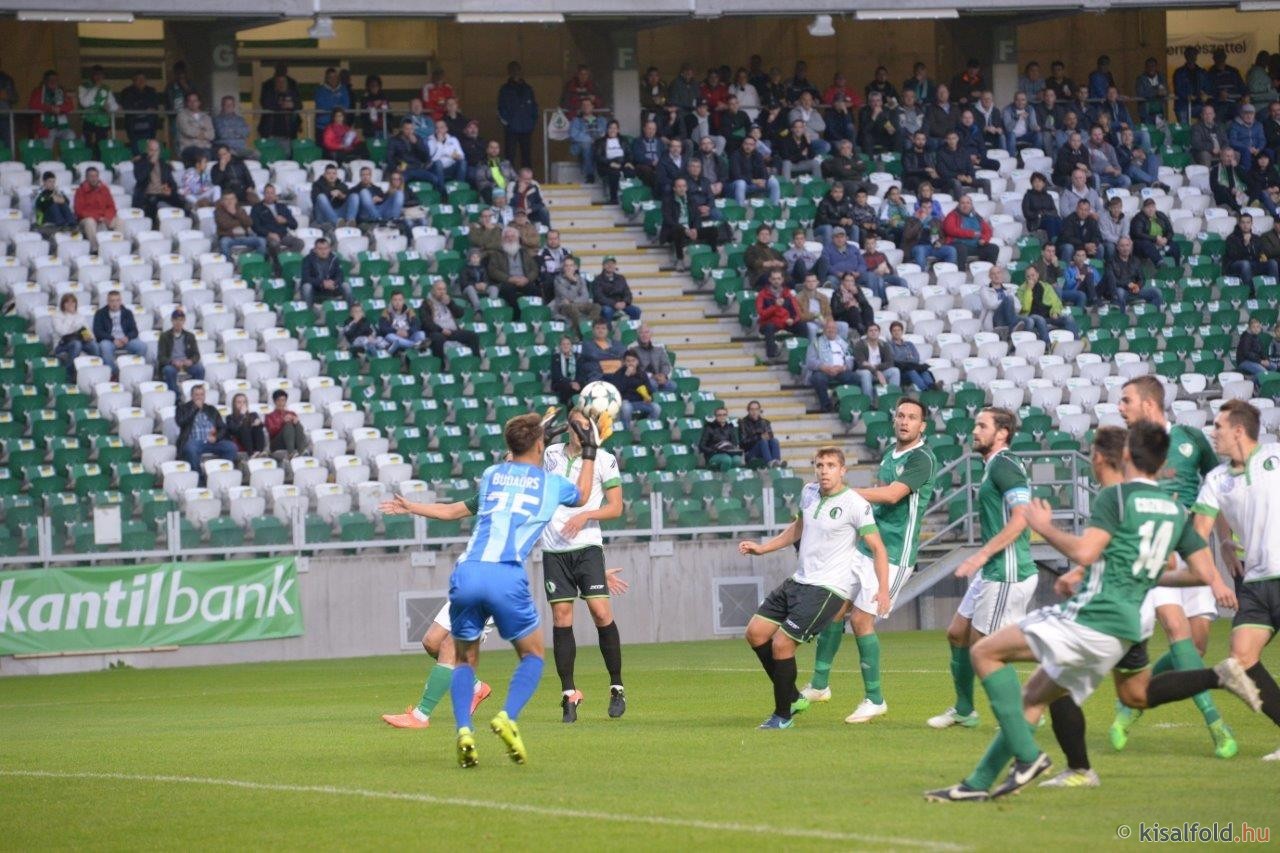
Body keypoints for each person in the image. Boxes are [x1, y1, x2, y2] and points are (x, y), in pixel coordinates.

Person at [925, 421, 1250, 802]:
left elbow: (1084, 552)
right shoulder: (1173, 509)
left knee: (983, 651)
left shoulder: (1116, 498)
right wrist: (1141, 575)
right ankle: (976, 784)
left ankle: (1029, 758)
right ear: (1162, 464)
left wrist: (1044, 527)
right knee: (1038, 695)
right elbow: (1202, 574)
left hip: (1091, 616)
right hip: (1127, 628)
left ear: (1125, 455)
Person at [380, 411, 597, 766]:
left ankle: (461, 729)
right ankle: (505, 716)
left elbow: (464, 504)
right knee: (531, 655)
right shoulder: (551, 484)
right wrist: (588, 450)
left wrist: (410, 506)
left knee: (454, 651)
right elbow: (584, 493)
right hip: (505, 577)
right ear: (541, 445)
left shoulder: (493, 476)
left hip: (467, 571)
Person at [1105, 376, 1241, 759]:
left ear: (1150, 404)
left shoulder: (1190, 440)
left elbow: (1218, 488)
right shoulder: (1127, 448)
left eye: (1126, 400)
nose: (1120, 407)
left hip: (1193, 548)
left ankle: (1131, 705)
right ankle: (1217, 725)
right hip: (1152, 554)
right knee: (1178, 632)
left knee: (1194, 647)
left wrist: (1227, 543)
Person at [803, 399, 937, 722]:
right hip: (870, 546)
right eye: (900, 416)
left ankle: (875, 699)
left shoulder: (923, 459)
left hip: (895, 553)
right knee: (835, 607)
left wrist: (845, 493)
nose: (905, 421)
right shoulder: (891, 454)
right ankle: (820, 684)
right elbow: (878, 500)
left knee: (862, 620)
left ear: (923, 426)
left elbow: (891, 495)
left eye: (912, 417)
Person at [739, 446, 890, 729]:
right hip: (799, 580)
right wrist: (763, 549)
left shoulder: (856, 504)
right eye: (820, 465)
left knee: (783, 644)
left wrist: (883, 589)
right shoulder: (808, 492)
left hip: (828, 588)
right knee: (756, 633)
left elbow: (878, 548)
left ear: (843, 470)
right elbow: (798, 528)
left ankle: (782, 716)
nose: (824, 471)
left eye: (831, 465)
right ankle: (793, 696)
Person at [926, 408, 1037, 731]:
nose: (974, 430)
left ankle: (1028, 709)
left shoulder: (1004, 465)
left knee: (985, 650)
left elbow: (1021, 518)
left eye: (982, 425)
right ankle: (964, 710)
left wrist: (981, 555)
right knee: (957, 634)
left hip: (1007, 571)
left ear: (1002, 433)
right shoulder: (991, 466)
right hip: (993, 569)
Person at [1193, 400, 1280, 762]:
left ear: (1239, 431)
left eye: (1218, 426)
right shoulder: (1215, 479)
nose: (1213, 433)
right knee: (1239, 660)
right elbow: (1198, 535)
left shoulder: (1276, 456)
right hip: (1256, 581)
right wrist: (1214, 578)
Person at [174, 383, 239, 487]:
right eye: (197, 395)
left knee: (231, 447)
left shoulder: (211, 409)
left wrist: (216, 437)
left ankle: (219, 475)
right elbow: (181, 422)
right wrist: (195, 408)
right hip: (194, 441)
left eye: (202, 394)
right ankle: (199, 479)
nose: (199, 397)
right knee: (190, 448)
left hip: (211, 441)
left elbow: (222, 427)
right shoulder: (182, 408)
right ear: (192, 396)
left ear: (204, 396)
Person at [1017, 264, 1078, 344]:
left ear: (1038, 275)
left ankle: (1077, 342)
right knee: (1040, 319)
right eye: (1028, 277)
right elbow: (1025, 308)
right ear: (1025, 278)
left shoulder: (1046, 287)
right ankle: (1048, 345)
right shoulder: (1021, 290)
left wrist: (1055, 312)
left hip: (1049, 316)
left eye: (1033, 275)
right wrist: (1028, 290)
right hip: (1032, 316)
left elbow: (1057, 302)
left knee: (1069, 318)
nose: (1031, 278)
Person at [92, 290, 146, 379]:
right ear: (108, 302)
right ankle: (115, 373)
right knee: (104, 346)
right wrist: (113, 339)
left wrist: (127, 337)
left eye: (117, 300)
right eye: (112, 301)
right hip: (110, 340)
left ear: (121, 301)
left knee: (142, 346)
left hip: (125, 340)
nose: (115, 303)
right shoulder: (100, 313)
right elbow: (98, 331)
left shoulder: (127, 313)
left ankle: (132, 370)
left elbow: (134, 330)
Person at [422, 279, 479, 362]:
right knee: (438, 338)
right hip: (438, 332)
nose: (442, 292)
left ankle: (476, 361)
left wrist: (450, 303)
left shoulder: (448, 301)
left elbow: (460, 314)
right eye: (439, 289)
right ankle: (440, 365)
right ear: (433, 291)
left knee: (473, 336)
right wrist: (441, 330)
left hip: (452, 331)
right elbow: (426, 322)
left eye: (444, 289)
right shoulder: (426, 303)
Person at [1223, 213, 1279, 295]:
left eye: (1248, 222)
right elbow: (1233, 255)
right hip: (1235, 264)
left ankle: (1274, 291)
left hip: (1253, 263)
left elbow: (1260, 252)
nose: (1245, 225)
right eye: (1243, 222)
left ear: (1251, 224)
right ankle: (1250, 293)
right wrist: (1245, 245)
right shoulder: (1232, 238)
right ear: (1239, 223)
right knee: (1245, 264)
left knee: (1272, 263)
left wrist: (1262, 256)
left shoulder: (1255, 238)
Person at [497, 62, 538, 170]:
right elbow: (501, 108)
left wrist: (532, 122)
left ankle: (527, 179)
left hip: (526, 127)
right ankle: (509, 179)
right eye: (512, 70)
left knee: (527, 156)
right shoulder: (505, 89)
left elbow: (534, 106)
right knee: (510, 155)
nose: (515, 72)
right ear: (509, 72)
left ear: (520, 71)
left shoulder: (528, 88)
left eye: (517, 69)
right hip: (512, 127)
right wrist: (508, 122)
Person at [132, 139, 185, 219]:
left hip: (162, 193)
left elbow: (173, 183)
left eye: (156, 150)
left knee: (180, 201)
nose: (154, 153)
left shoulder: (163, 164)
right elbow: (140, 178)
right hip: (147, 195)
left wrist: (170, 190)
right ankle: (153, 227)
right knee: (152, 202)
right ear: (147, 150)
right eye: (151, 150)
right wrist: (151, 164)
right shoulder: (140, 162)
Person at [607, 350, 660, 429]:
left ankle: (645, 428)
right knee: (626, 408)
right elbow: (617, 390)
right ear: (624, 363)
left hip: (641, 401)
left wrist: (649, 397)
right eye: (628, 361)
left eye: (633, 361)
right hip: (626, 402)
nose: (631, 363)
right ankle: (626, 431)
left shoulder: (642, 373)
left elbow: (649, 389)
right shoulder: (619, 374)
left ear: (637, 362)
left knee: (656, 408)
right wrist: (626, 376)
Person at [252, 184, 304, 264]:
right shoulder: (257, 208)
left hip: (283, 235)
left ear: (275, 195)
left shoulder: (282, 207)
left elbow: (294, 225)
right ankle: (278, 266)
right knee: (274, 244)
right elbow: (255, 226)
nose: (270, 195)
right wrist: (269, 234)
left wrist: (285, 221)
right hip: (266, 236)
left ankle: (285, 259)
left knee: (299, 242)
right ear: (263, 194)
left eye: (272, 193)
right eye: (267, 193)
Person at [851, 324, 902, 405]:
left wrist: (876, 367)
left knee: (895, 371)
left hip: (879, 371)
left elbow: (890, 362)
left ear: (879, 332)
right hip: (863, 371)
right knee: (866, 373)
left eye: (876, 330)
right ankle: (869, 403)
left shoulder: (884, 344)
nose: (873, 332)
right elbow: (861, 364)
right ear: (866, 333)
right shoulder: (860, 345)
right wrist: (876, 372)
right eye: (870, 330)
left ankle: (892, 400)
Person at [755, 271, 800, 361]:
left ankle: (801, 352)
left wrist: (792, 320)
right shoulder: (762, 294)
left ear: (782, 280)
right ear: (770, 280)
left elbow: (797, 312)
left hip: (786, 323)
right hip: (769, 323)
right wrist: (775, 306)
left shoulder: (788, 293)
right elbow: (761, 314)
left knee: (802, 325)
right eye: (774, 279)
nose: (776, 281)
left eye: (779, 279)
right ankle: (772, 355)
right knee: (769, 326)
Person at [156, 308, 204, 393]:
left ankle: (194, 393)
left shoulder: (190, 336)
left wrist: (191, 361)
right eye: (176, 320)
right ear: (172, 321)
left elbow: (197, 355)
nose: (178, 323)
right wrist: (172, 362)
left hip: (186, 364)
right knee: (168, 370)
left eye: (181, 320)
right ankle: (176, 396)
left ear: (184, 321)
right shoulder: (164, 336)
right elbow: (161, 357)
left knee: (199, 369)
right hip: (172, 364)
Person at [942, 195, 999, 266]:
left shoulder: (976, 216)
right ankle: (961, 272)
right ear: (959, 205)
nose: (965, 205)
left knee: (993, 248)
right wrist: (971, 234)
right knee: (962, 249)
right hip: (957, 244)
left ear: (971, 205)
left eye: (968, 203)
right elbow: (950, 230)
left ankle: (989, 271)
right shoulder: (952, 215)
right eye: (963, 203)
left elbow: (988, 230)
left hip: (975, 245)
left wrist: (984, 239)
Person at [51, 293, 97, 381]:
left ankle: (94, 371)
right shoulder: (57, 316)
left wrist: (89, 337)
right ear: (63, 304)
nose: (70, 305)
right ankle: (69, 373)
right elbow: (63, 332)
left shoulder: (80, 316)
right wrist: (70, 316)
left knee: (94, 345)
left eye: (73, 302)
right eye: (67, 302)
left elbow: (88, 331)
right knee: (77, 344)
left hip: (79, 341)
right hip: (61, 345)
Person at [728, 136, 780, 207]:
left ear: (754, 146)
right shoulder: (735, 156)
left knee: (774, 182)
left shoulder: (758, 155)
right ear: (742, 144)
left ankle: (774, 208)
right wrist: (754, 181)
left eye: (751, 144)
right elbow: (736, 175)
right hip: (738, 185)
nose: (748, 147)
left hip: (755, 184)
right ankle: (740, 210)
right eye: (746, 144)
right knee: (741, 183)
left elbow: (764, 172)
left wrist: (763, 180)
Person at [300, 238, 352, 307]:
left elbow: (340, 275)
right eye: (320, 249)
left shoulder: (334, 258)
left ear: (329, 249)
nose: (323, 251)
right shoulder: (308, 259)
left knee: (346, 285)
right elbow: (306, 278)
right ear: (315, 250)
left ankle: (351, 311)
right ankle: (308, 312)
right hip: (316, 288)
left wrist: (334, 282)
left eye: (326, 248)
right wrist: (322, 283)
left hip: (331, 287)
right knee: (306, 287)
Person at [214, 193, 267, 261]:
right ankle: (230, 264)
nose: (230, 201)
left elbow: (249, 222)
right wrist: (240, 223)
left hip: (245, 237)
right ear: (222, 201)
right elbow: (224, 225)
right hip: (229, 237)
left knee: (261, 240)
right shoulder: (218, 212)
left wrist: (235, 213)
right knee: (224, 242)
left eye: (232, 199)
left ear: (236, 200)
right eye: (227, 199)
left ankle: (256, 261)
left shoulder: (240, 209)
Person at [28, 70, 74, 146]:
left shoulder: (61, 91)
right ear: (45, 81)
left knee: (71, 135)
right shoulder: (38, 91)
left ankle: (63, 158)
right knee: (46, 149)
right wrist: (50, 108)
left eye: (55, 80)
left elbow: (70, 106)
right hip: (46, 128)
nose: (53, 82)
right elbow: (32, 105)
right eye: (50, 79)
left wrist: (60, 109)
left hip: (61, 127)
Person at [78, 65, 117, 155]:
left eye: (101, 75)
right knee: (87, 145)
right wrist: (96, 88)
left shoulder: (106, 88)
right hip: (89, 120)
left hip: (103, 122)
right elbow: (85, 103)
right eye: (96, 75)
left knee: (101, 146)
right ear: (92, 76)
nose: (99, 77)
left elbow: (113, 105)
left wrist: (110, 107)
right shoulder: (84, 86)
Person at [886, 321, 937, 391]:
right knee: (911, 371)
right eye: (894, 330)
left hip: (914, 367)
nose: (897, 332)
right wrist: (909, 358)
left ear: (902, 331)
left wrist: (906, 360)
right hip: (901, 371)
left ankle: (932, 387)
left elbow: (916, 358)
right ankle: (925, 390)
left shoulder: (909, 344)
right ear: (891, 332)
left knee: (924, 371)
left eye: (899, 330)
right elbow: (895, 359)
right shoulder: (889, 345)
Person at [119, 72, 163, 151]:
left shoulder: (151, 91)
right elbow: (127, 106)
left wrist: (141, 106)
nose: (141, 81)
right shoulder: (127, 91)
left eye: (143, 79)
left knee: (150, 148)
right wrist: (145, 109)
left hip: (150, 126)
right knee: (136, 149)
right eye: (138, 79)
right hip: (133, 126)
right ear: (133, 81)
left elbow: (154, 106)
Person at [593, 120, 632, 205]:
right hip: (606, 165)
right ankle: (614, 199)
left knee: (631, 172)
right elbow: (598, 157)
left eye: (615, 128)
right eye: (610, 128)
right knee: (614, 173)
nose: (612, 130)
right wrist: (610, 163)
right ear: (607, 129)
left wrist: (628, 162)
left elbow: (629, 153)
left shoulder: (623, 140)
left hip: (621, 164)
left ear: (618, 130)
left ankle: (630, 199)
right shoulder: (600, 142)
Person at [577, 319, 626, 384]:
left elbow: (623, 354)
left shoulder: (616, 343)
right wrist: (614, 356)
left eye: (603, 328)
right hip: (599, 377)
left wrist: (602, 358)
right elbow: (594, 355)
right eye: (597, 328)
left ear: (608, 331)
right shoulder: (587, 344)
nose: (600, 330)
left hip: (617, 376)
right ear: (593, 330)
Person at [593, 256, 639, 325]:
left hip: (621, 304)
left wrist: (624, 302)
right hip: (606, 305)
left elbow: (628, 294)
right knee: (607, 311)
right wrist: (614, 304)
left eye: (612, 263)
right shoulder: (598, 279)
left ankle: (633, 332)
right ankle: (608, 333)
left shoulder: (621, 278)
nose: (610, 265)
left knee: (636, 310)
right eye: (607, 263)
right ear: (603, 266)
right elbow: (599, 297)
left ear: (615, 265)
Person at [378, 291, 426, 356]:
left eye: (400, 300)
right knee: (389, 336)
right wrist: (396, 331)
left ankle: (413, 344)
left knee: (421, 334)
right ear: (391, 301)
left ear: (403, 301)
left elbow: (417, 325)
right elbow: (383, 328)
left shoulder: (409, 311)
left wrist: (408, 332)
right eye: (395, 300)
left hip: (408, 336)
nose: (397, 302)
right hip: (395, 337)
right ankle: (415, 345)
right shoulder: (386, 312)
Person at [739, 400, 782, 469]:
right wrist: (759, 437)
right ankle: (770, 463)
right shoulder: (743, 423)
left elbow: (771, 436)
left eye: (756, 409)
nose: (754, 412)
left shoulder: (765, 422)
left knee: (774, 441)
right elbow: (743, 443)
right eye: (752, 409)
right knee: (763, 441)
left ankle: (777, 462)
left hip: (764, 450)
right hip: (750, 453)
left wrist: (768, 436)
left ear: (759, 410)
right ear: (748, 410)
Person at [264, 389, 306, 459]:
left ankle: (301, 451)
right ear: (274, 401)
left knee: (298, 425)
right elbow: (271, 432)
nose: (281, 403)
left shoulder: (292, 413)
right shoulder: (269, 416)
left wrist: (296, 422)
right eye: (278, 400)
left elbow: (299, 430)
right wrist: (282, 422)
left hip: (292, 441)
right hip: (277, 443)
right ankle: (291, 453)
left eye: (283, 400)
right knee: (288, 425)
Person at [1235, 317, 1277, 386]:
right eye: (1253, 327)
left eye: (1258, 327)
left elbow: (1261, 351)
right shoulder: (1246, 337)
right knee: (1263, 371)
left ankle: (1266, 385)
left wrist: (1266, 359)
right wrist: (1260, 361)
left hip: (1255, 360)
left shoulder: (1256, 337)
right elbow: (1247, 354)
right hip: (1244, 361)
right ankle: (1251, 385)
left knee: (1273, 366)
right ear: (1249, 328)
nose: (1256, 329)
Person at [176, 92, 215, 163]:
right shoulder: (182, 115)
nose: (192, 103)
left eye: (195, 101)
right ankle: (203, 173)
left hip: (206, 147)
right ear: (187, 103)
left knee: (221, 153)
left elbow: (212, 135)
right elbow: (188, 131)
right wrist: (203, 132)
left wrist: (197, 133)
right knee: (203, 154)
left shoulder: (206, 117)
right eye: (190, 101)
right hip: (188, 147)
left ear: (199, 102)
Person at [224, 393, 267, 458]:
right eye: (239, 402)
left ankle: (259, 451)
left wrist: (259, 423)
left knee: (258, 427)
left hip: (253, 438)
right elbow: (233, 429)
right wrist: (241, 415)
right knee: (244, 428)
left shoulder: (253, 414)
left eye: (244, 402)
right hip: (239, 438)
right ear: (234, 404)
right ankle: (251, 454)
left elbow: (261, 427)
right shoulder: (229, 417)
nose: (242, 404)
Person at [1021, 172, 1060, 243]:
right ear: (1032, 184)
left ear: (1044, 183)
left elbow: (1055, 212)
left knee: (1058, 220)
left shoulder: (1048, 197)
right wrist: (1038, 214)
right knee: (1051, 220)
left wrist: (1043, 213)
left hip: (1048, 218)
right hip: (1035, 222)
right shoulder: (1028, 196)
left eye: (1040, 181)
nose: (1037, 184)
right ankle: (1053, 242)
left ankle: (1060, 241)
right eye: (1035, 181)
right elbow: (1026, 213)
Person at [550, 336, 582, 405]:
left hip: (575, 383)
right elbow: (556, 375)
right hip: (560, 383)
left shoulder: (577, 357)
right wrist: (570, 382)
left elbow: (580, 372)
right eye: (563, 344)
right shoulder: (556, 357)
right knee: (566, 385)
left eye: (568, 344)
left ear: (571, 346)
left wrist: (577, 382)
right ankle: (566, 407)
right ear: (560, 346)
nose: (565, 346)